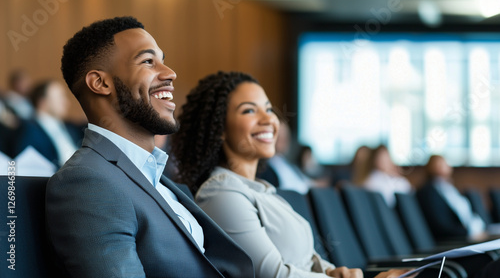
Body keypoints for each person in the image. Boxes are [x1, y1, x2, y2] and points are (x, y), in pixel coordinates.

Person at [45, 16, 254, 277]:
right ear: (100, 83)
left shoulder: (156, 176)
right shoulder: (87, 182)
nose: (170, 73)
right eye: (148, 61)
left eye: (162, 60)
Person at [171, 71, 413, 278]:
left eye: (268, 109)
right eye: (249, 111)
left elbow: (305, 259)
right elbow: (272, 275)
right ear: (219, 128)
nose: (269, 119)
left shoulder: (262, 190)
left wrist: (331, 271)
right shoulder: (220, 193)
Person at [417, 155, 487, 242]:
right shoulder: (428, 192)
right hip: (452, 241)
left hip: (468, 234)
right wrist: (468, 232)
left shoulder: (448, 188)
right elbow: (441, 226)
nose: (444, 167)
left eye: (444, 164)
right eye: (439, 164)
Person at [14, 80, 81, 167]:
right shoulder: (28, 130)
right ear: (43, 102)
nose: (66, 102)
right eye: (60, 97)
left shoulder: (70, 127)